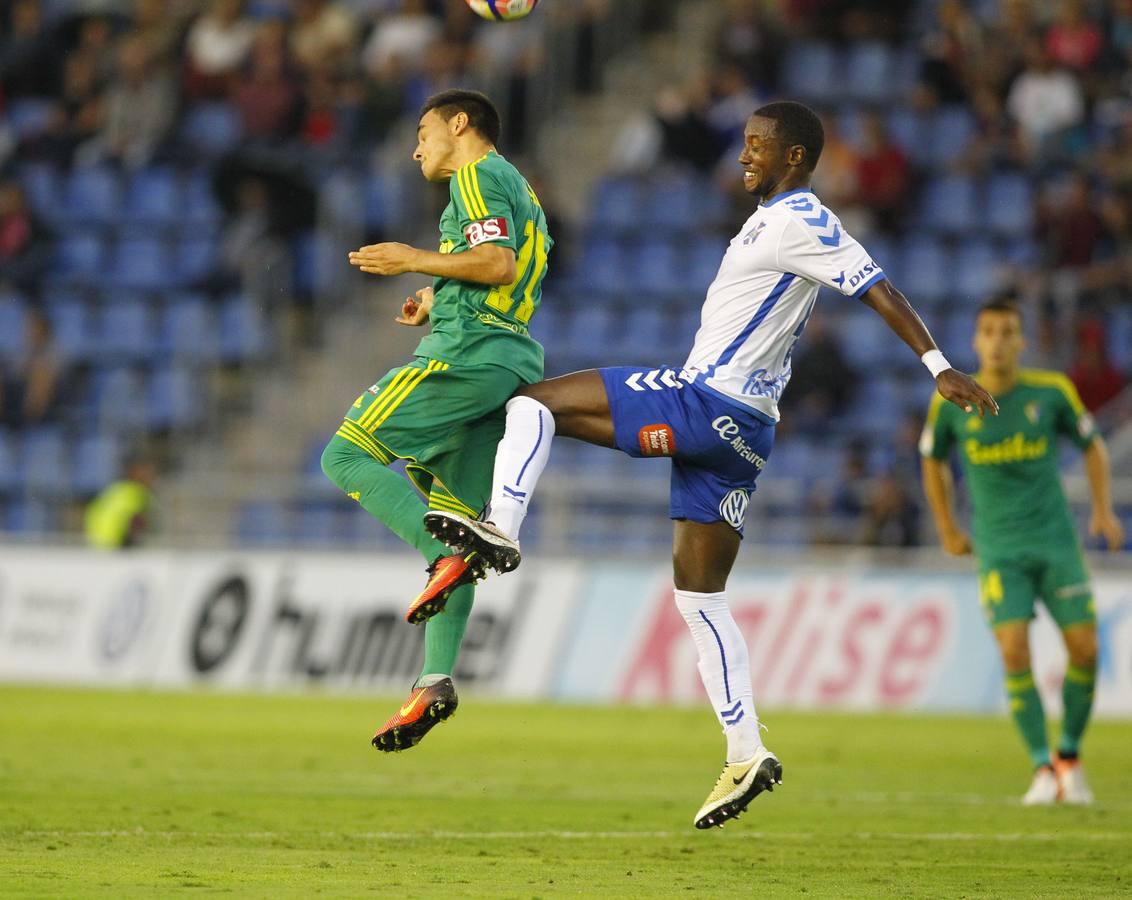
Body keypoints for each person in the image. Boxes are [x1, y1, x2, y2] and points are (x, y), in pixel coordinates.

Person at [422, 101, 996, 829]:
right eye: (745, 144)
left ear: (794, 158)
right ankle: (745, 751)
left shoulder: (804, 219)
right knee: (700, 597)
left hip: (705, 405)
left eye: (759, 147)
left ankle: (500, 526)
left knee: (530, 405)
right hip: (747, 436)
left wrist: (938, 365)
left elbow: (877, 285)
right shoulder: (773, 221)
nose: (744, 155)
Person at [320, 90, 551, 753]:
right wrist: (436, 291)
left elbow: (497, 263)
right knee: (458, 521)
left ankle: (438, 557)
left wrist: (412, 258)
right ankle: (435, 679)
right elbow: (504, 269)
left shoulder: (479, 174)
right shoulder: (520, 190)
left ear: (458, 126)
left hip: (465, 357)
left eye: (422, 132)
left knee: (344, 455)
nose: (416, 147)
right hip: (505, 365)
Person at [920, 298, 1124, 806]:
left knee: (1086, 651)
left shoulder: (1050, 393)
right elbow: (931, 460)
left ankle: (1069, 760)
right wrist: (946, 526)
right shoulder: (951, 400)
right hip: (999, 550)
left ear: (1022, 340)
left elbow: (1093, 445)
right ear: (975, 341)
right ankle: (1041, 768)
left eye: (1008, 331)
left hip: (1056, 544)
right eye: (988, 331)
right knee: (1014, 651)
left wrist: (1103, 508)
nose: (998, 341)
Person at [84, 457, 158, 550]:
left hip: (96, 541)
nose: (151, 478)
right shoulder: (136, 492)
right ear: (133, 474)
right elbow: (136, 520)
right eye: (147, 474)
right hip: (115, 543)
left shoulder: (117, 487)